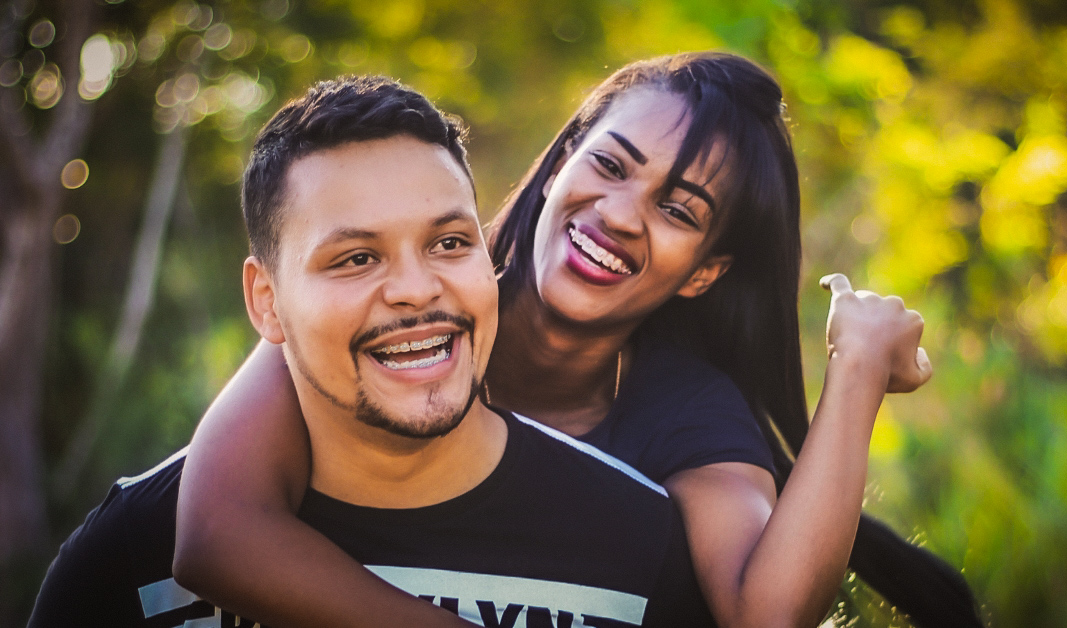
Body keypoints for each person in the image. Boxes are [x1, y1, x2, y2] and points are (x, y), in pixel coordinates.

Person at [174, 53, 983, 628]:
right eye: (611, 165)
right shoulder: (408, 295)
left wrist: (859, 368)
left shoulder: (685, 411)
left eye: (680, 210)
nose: (622, 213)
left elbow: (764, 615)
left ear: (705, 272)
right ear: (562, 161)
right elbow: (215, 536)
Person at [27, 76, 718, 628]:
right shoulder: (130, 556)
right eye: (356, 258)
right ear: (267, 301)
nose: (417, 291)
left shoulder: (638, 545)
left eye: (449, 243)